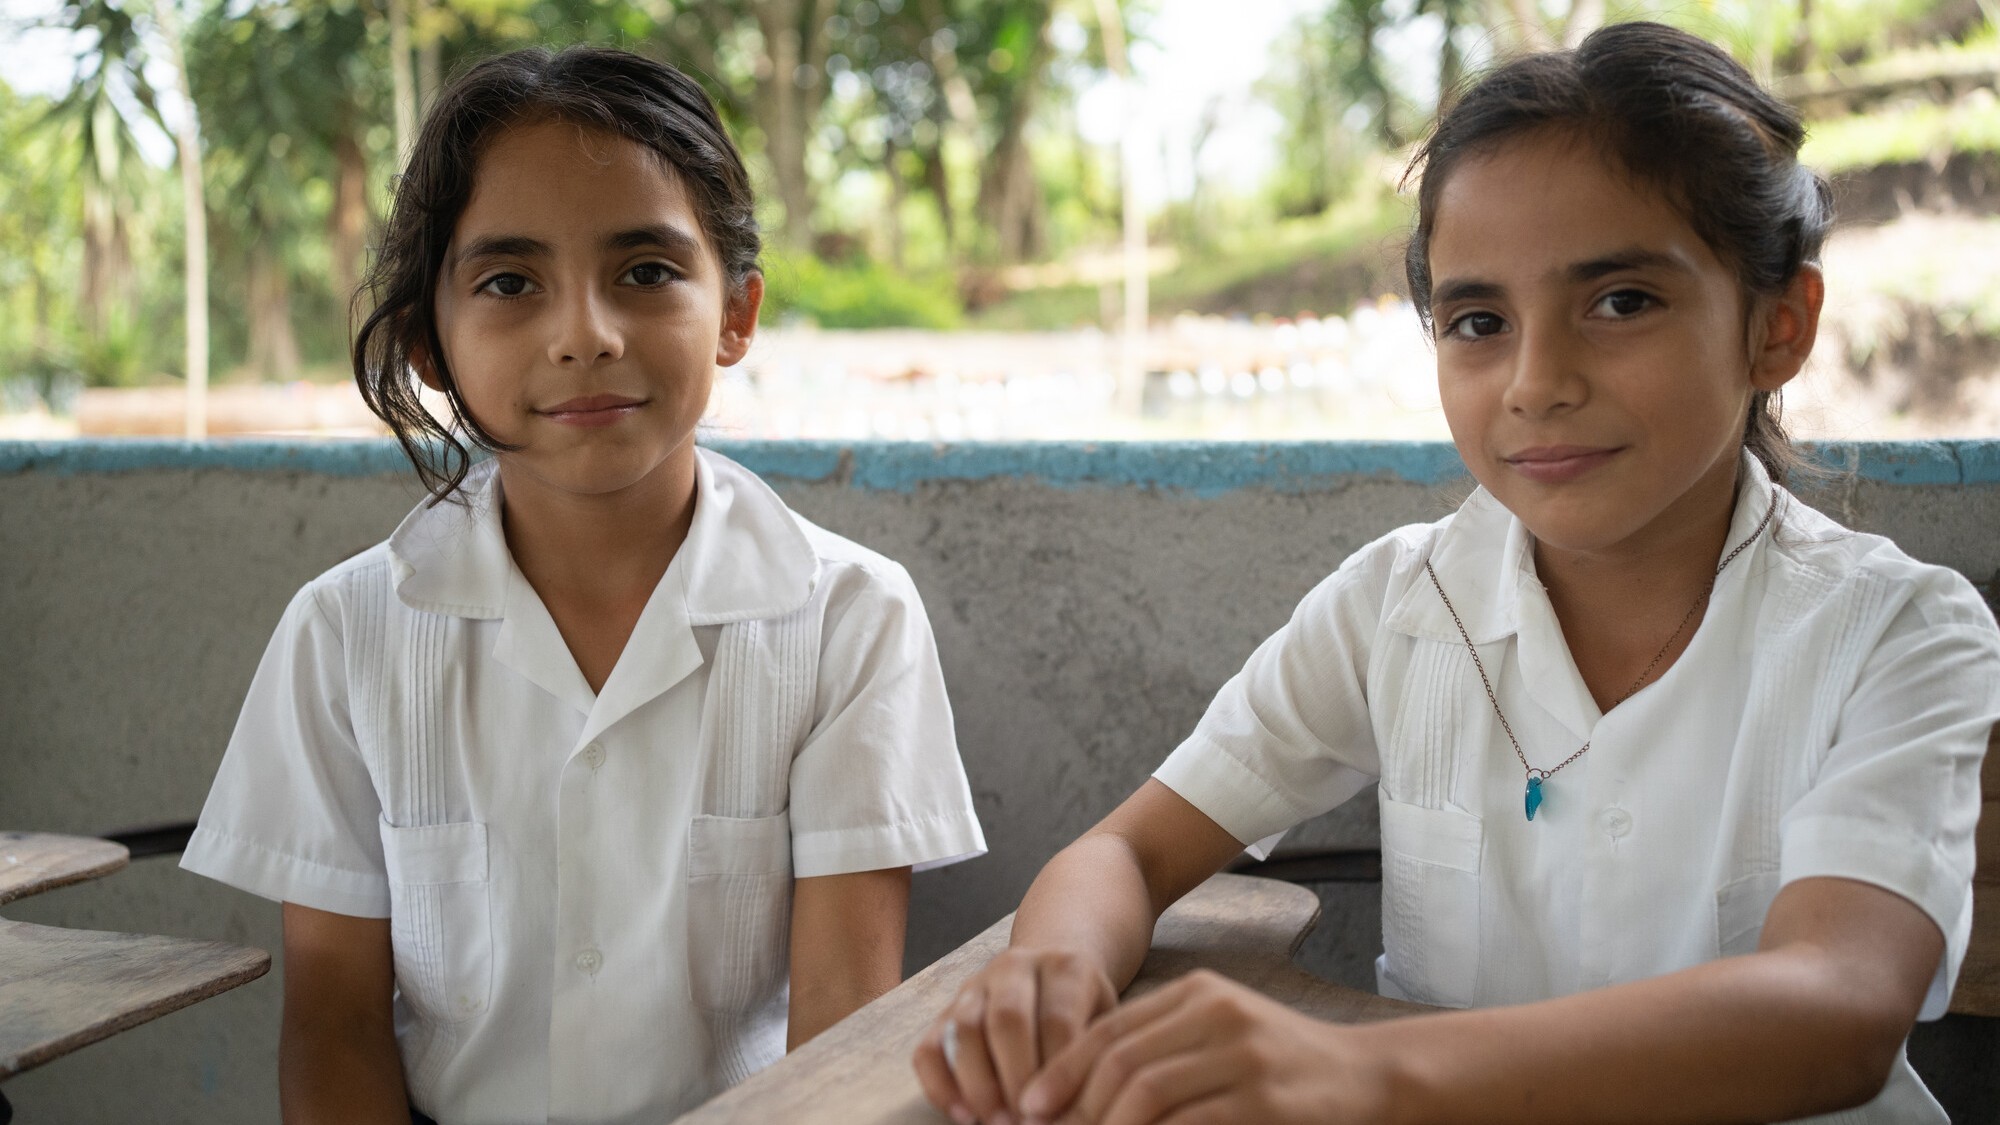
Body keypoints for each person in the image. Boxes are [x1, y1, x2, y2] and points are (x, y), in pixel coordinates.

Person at [913, 21, 1998, 1125]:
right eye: (1475, 321)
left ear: (1777, 326)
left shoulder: (1897, 631)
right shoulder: (1397, 607)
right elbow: (1126, 854)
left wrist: (1360, 1071)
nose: (1535, 382)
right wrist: (1046, 971)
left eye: (1619, 301)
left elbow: (1838, 1009)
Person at [181, 46, 985, 1125]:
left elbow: (842, 1031)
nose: (584, 337)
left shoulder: (849, 620)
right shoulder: (346, 633)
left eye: (645, 273)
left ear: (736, 314)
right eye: (510, 284)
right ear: (431, 342)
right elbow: (334, 1026)